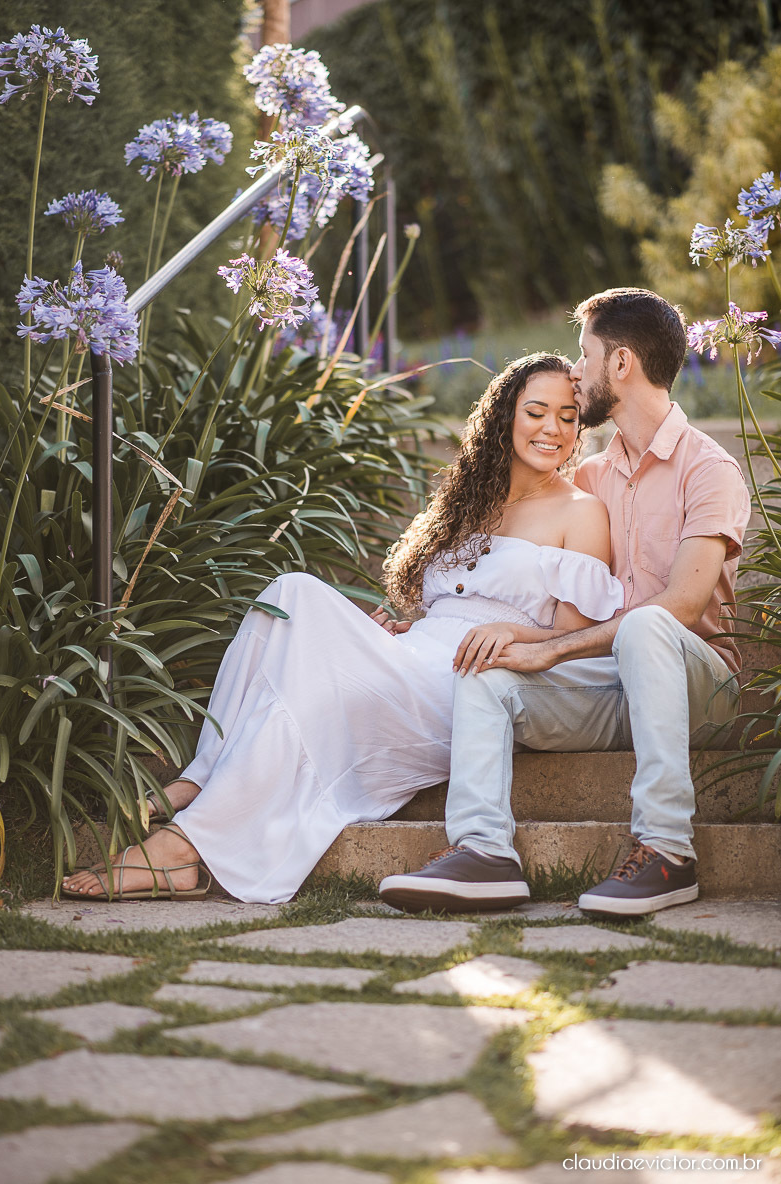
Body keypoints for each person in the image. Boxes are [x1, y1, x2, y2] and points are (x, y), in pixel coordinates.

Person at [61, 352, 624, 903]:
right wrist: (402, 630)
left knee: (304, 685)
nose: (552, 428)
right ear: (504, 417)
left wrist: (512, 633)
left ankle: (182, 840)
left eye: (568, 417)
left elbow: (567, 644)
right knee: (289, 595)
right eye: (536, 411)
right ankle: (202, 788)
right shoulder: (469, 503)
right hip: (417, 654)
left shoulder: (580, 512)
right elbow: (447, 609)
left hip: (474, 679)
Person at [379, 287, 751, 919]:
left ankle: (666, 849)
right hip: (609, 688)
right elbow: (523, 566)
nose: (575, 375)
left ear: (622, 364)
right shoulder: (590, 479)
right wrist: (432, 624)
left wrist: (548, 648)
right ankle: (483, 854)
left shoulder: (708, 470)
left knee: (646, 629)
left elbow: (683, 607)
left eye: (585, 356)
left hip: (699, 685)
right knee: (486, 673)